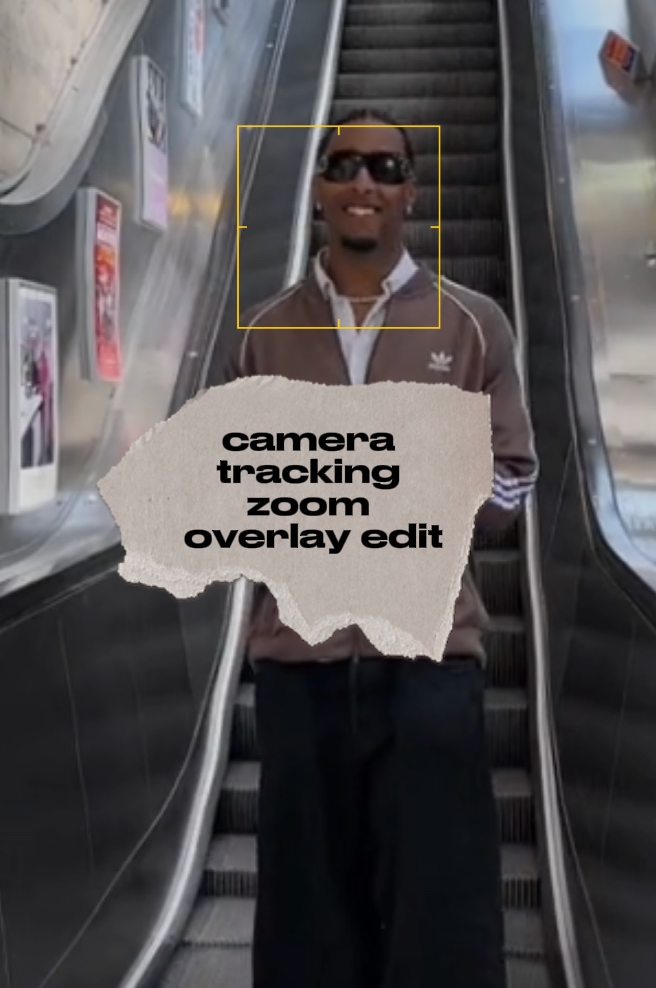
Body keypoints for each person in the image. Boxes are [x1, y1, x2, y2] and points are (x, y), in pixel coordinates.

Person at [217, 108, 539, 988]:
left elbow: (513, 478)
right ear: (319, 189)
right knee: (307, 931)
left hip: (431, 670)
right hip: (300, 673)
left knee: (443, 929)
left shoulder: (472, 325)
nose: (365, 182)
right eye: (347, 164)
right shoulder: (264, 333)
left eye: (387, 168)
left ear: (411, 194)